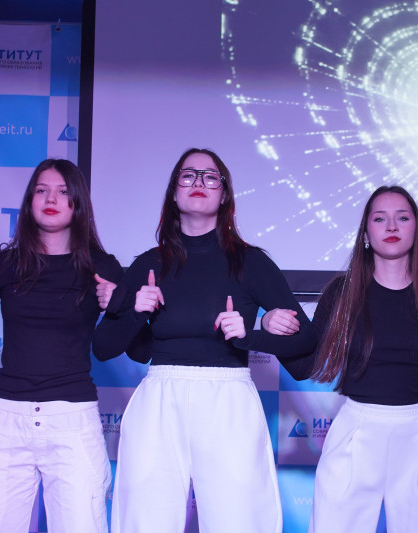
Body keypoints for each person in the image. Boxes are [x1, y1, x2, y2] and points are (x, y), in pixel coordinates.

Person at [91, 148, 315, 533]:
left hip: (229, 399)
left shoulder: (250, 262)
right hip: (159, 400)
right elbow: (104, 346)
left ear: (224, 195)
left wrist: (252, 335)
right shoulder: (148, 264)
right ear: (173, 192)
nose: (199, 182)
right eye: (188, 175)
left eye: (210, 177)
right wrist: (135, 311)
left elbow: (307, 346)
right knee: (146, 520)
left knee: (239, 521)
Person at [264, 185, 418, 532]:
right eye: (380, 219)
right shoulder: (342, 292)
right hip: (356, 429)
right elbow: (304, 367)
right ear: (365, 233)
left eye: (402, 218)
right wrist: (269, 330)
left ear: (416, 229)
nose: (391, 226)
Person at [0, 159, 123, 532]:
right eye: (42, 190)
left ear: (78, 202)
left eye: (63, 191)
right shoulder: (6, 263)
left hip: (72, 421)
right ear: (29, 201)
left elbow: (131, 343)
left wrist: (117, 304)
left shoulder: (101, 266)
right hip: (7, 420)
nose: (51, 199)